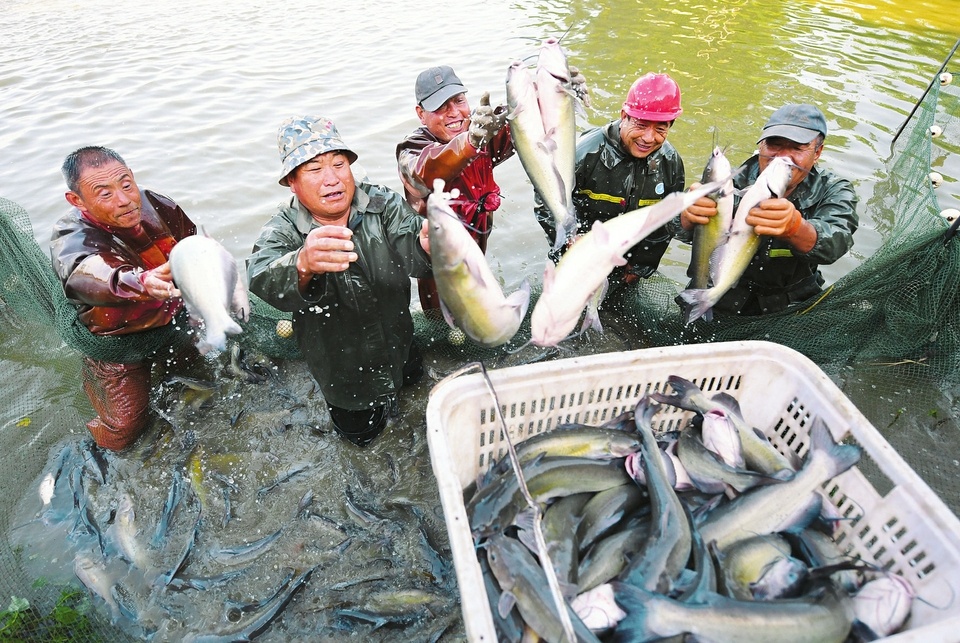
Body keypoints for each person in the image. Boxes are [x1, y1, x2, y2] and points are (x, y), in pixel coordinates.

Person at [248, 116, 432, 447]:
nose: (332, 179)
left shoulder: (382, 204)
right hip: (345, 377)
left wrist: (427, 243)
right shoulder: (283, 229)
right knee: (363, 441)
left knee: (416, 394)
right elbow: (261, 275)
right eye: (314, 169)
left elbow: (415, 256)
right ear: (292, 181)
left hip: (399, 346)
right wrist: (302, 264)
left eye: (339, 163)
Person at [50, 146, 196, 451]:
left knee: (193, 380)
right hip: (118, 341)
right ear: (77, 200)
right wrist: (141, 281)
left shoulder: (156, 204)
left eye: (126, 184)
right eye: (104, 193)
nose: (124, 200)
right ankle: (101, 453)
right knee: (126, 425)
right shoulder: (71, 236)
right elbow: (88, 274)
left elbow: (193, 245)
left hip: (172, 319)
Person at [678, 103, 859, 315]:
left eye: (796, 148)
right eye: (774, 145)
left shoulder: (835, 189)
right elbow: (675, 229)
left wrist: (796, 228)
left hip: (790, 306)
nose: (782, 157)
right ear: (761, 145)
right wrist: (686, 216)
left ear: (817, 152)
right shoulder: (728, 181)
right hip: (722, 299)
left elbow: (837, 241)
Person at [536, 72, 686, 286]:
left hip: (627, 264)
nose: (648, 138)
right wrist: (569, 241)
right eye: (641, 125)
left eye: (661, 129)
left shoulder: (670, 162)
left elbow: (666, 221)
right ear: (624, 115)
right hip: (578, 257)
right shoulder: (584, 153)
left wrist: (642, 264)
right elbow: (545, 201)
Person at [396, 65, 514, 310]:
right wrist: (469, 142)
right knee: (444, 317)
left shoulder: (481, 132)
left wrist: (551, 90)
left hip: (476, 246)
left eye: (459, 101)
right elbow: (425, 171)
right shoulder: (412, 150)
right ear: (420, 113)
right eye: (440, 106)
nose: (454, 113)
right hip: (437, 262)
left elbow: (518, 128)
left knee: (479, 308)